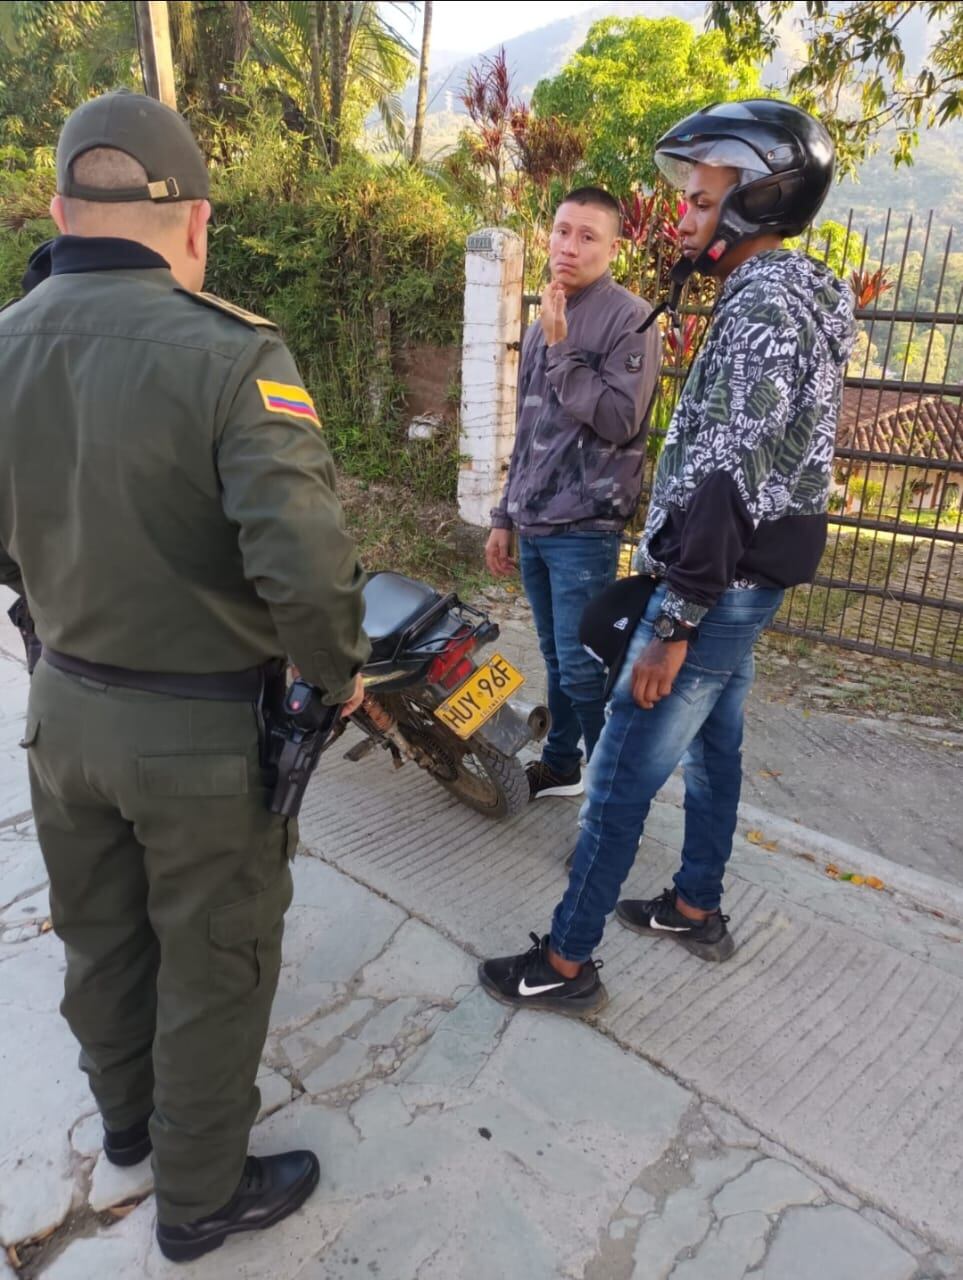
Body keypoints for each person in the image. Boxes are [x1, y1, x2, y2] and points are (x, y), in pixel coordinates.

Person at [0, 91, 370, 1262]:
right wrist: (341, 675)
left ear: (60, 209)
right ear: (197, 224)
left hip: (60, 708)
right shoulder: (231, 354)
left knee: (103, 938)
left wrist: (48, 598)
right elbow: (304, 569)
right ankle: (201, 1195)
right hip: (202, 735)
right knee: (213, 964)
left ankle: (128, 1132)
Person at [478, 99, 855, 1015]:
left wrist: (676, 622)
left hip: (714, 589)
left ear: (754, 198)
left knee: (616, 778)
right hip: (739, 581)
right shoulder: (791, 293)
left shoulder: (765, 306)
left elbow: (730, 470)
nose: (681, 214)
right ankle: (694, 905)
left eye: (697, 198)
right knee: (716, 746)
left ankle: (565, 964)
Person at [486, 186, 661, 801]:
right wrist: (505, 513)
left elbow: (618, 419)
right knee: (557, 662)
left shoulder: (629, 319)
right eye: (562, 231)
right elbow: (529, 426)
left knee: (586, 669)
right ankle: (562, 765)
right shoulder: (546, 316)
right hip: (534, 522)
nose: (569, 246)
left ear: (614, 246)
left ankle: (614, 795)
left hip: (585, 525)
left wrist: (562, 350)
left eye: (588, 236)